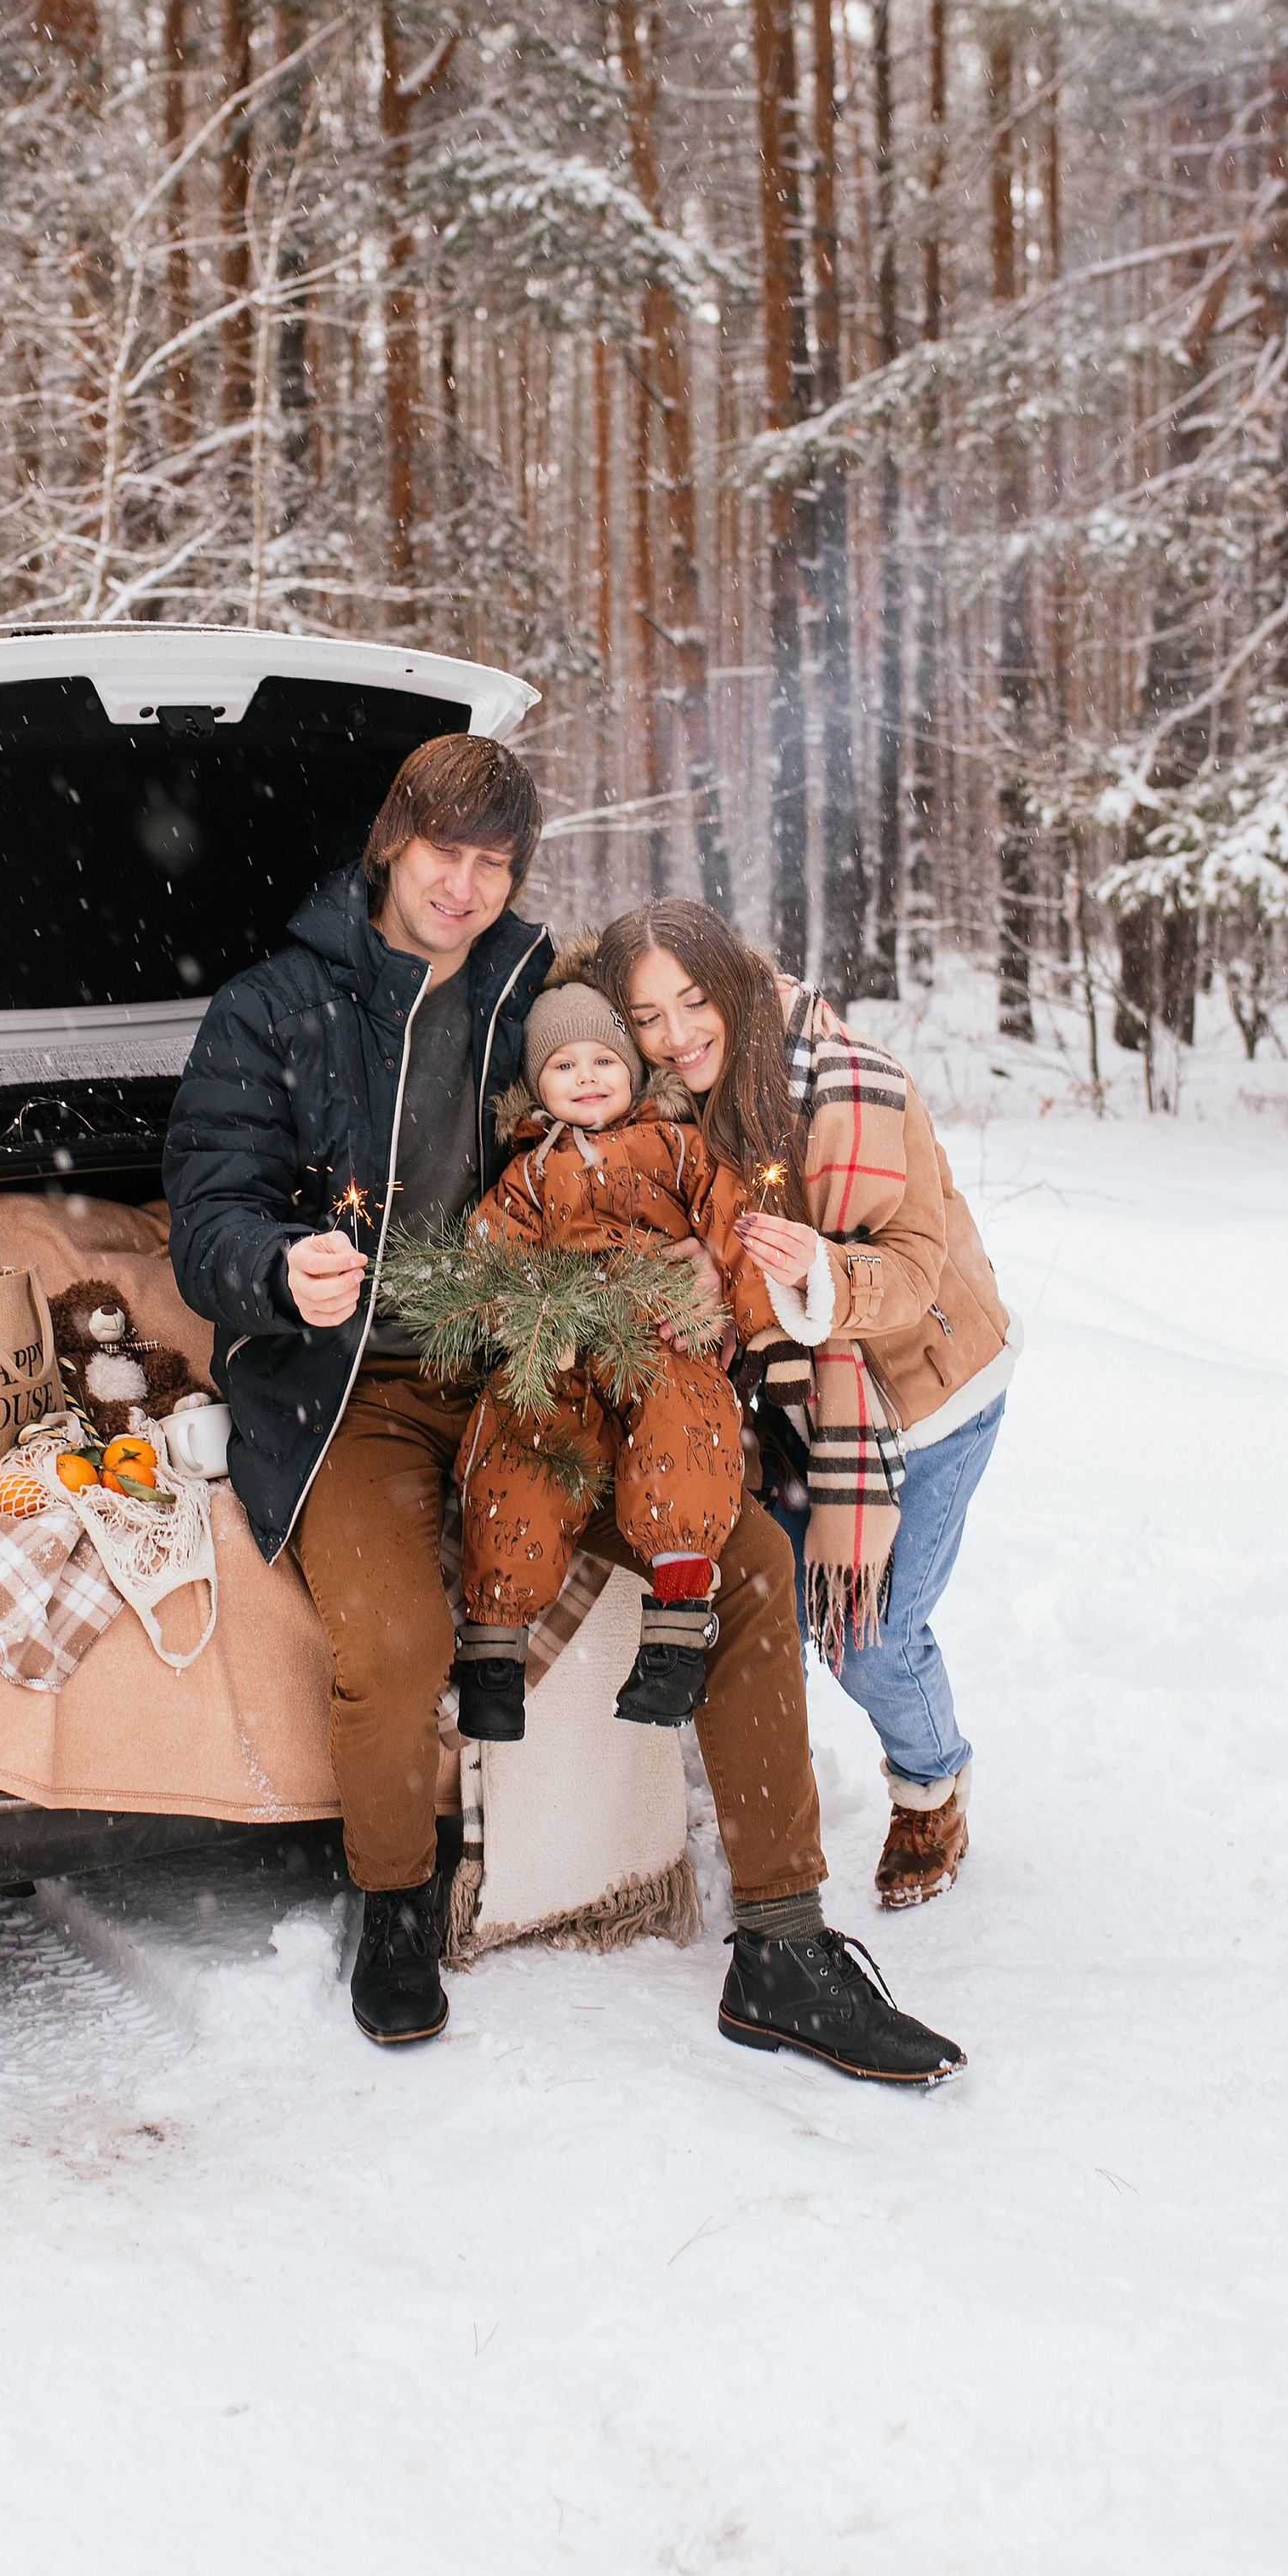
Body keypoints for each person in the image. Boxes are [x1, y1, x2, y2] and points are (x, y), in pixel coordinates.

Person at [164, 736, 963, 2086]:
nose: (466, 887)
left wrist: (717, 1226)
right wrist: (274, 1271)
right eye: (443, 855)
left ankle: (781, 1944)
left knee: (753, 1570)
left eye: (495, 863)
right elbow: (207, 1215)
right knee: (397, 1638)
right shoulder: (272, 1008)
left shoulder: (541, 987)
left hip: (563, 1366)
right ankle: (397, 1899)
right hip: (353, 1385)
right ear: (389, 846)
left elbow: (684, 1015)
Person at [596, 901, 1018, 1911]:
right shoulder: (657, 1108)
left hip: (924, 1395)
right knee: (761, 1601)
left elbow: (913, 1269)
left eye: (693, 1002)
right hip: (787, 1405)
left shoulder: (853, 1089)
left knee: (871, 1638)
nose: (675, 1035)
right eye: (645, 1016)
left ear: (735, 983)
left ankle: (931, 1787)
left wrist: (821, 1275)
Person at [450, 967, 835, 1743]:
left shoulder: (677, 1144)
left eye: (603, 1061)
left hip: (664, 1332)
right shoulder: (527, 1173)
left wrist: (762, 1330)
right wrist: (518, 1314)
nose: (586, 1078)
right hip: (563, 1349)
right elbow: (484, 1258)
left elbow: (735, 1224)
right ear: (535, 1086)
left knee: (686, 1431)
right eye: (563, 1066)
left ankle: (674, 1637)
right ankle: (493, 1654)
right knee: (521, 1452)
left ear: (634, 1071)